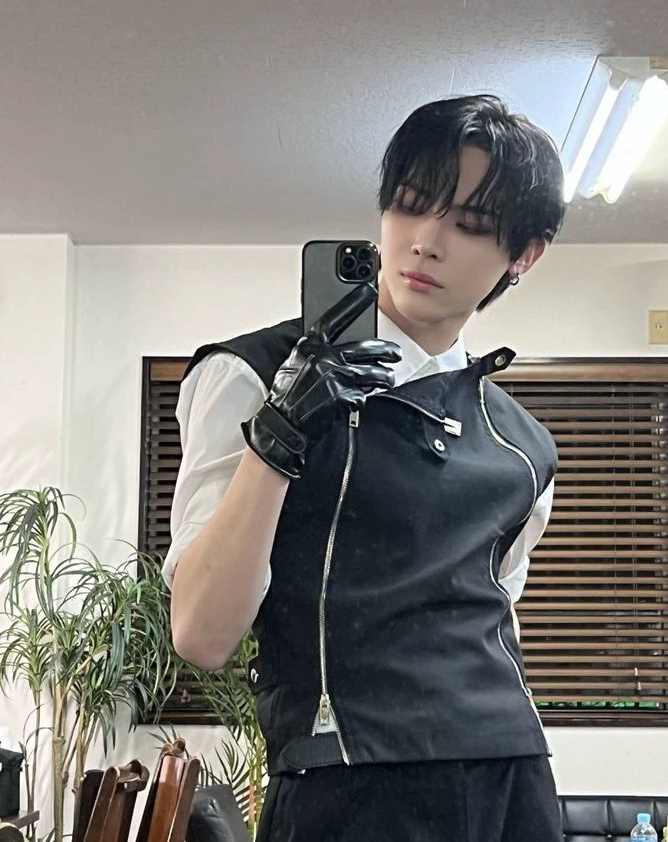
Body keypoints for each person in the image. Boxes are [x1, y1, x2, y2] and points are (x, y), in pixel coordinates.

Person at [164, 94, 567, 842]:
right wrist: (280, 433)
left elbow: (492, 620)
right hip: (344, 784)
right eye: (410, 205)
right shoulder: (250, 376)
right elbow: (203, 634)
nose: (426, 242)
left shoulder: (523, 445)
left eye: (470, 223)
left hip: (511, 781)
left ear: (525, 255)